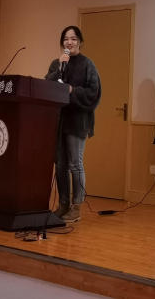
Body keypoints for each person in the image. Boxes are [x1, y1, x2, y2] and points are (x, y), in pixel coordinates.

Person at [45, 26, 101, 223]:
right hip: (59, 120)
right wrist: (58, 70)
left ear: (80, 42)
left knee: (75, 164)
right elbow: (46, 86)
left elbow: (94, 92)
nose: (69, 42)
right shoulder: (57, 63)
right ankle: (63, 204)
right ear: (62, 42)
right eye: (66, 39)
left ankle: (76, 207)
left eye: (74, 39)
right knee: (60, 164)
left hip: (78, 120)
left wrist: (72, 91)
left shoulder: (87, 64)